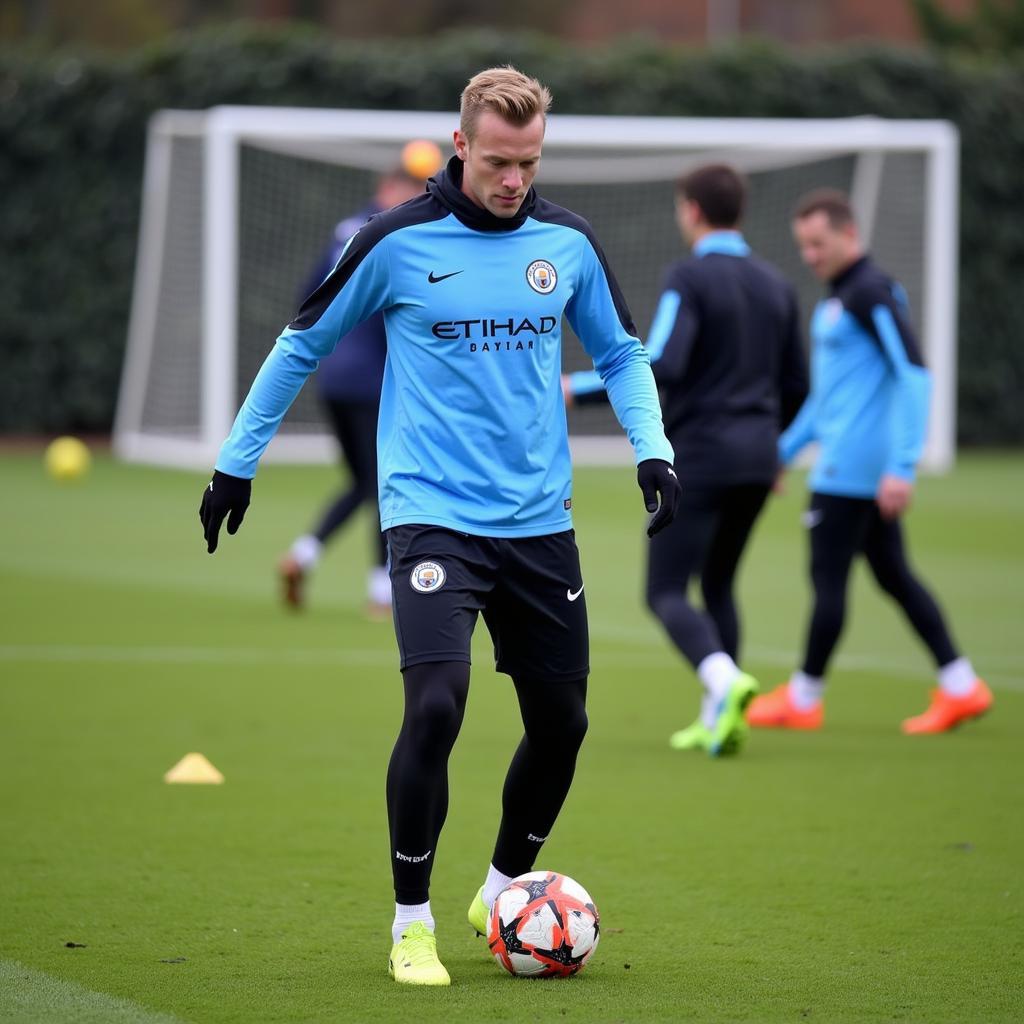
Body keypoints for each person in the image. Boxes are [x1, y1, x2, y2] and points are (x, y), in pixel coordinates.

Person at [198, 66, 679, 986]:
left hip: (540, 522)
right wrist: (236, 461)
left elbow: (621, 352)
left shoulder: (566, 243)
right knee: (436, 704)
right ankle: (409, 923)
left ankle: (500, 889)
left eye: (529, 162)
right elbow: (301, 341)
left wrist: (651, 448)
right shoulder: (396, 242)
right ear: (462, 145)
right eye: (498, 161)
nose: (513, 180)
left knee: (564, 723)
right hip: (431, 518)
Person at [564, 164, 808, 757]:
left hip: (701, 454)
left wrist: (577, 388)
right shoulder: (777, 283)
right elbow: (798, 384)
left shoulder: (689, 277)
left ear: (692, 209)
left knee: (665, 590)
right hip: (757, 460)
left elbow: (661, 362)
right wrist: (777, 449)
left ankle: (722, 682)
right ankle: (718, 716)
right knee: (720, 582)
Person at [746, 189, 992, 734]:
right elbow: (826, 399)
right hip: (851, 465)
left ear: (849, 234)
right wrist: (782, 454)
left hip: (849, 471)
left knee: (828, 578)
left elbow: (914, 372)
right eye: (803, 246)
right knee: (895, 575)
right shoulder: (844, 297)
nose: (810, 255)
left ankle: (804, 699)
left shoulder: (868, 292)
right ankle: (961, 686)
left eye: (819, 242)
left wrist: (903, 465)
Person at [277, 142, 443, 615]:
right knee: (386, 481)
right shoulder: (397, 236)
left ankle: (303, 554)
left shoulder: (344, 229)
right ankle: (380, 591)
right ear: (388, 185)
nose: (416, 195)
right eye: (411, 185)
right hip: (372, 379)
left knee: (363, 482)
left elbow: (308, 297)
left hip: (332, 379)